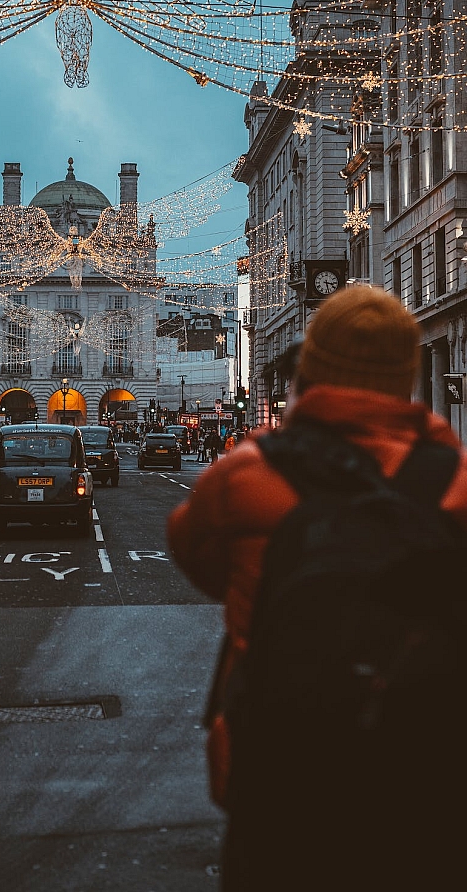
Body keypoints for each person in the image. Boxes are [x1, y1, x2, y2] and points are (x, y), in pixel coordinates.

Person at [168, 285, 467, 891]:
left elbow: (198, 559)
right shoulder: (456, 482)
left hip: (277, 758)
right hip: (423, 765)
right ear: (407, 375)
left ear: (311, 370)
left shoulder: (249, 471)